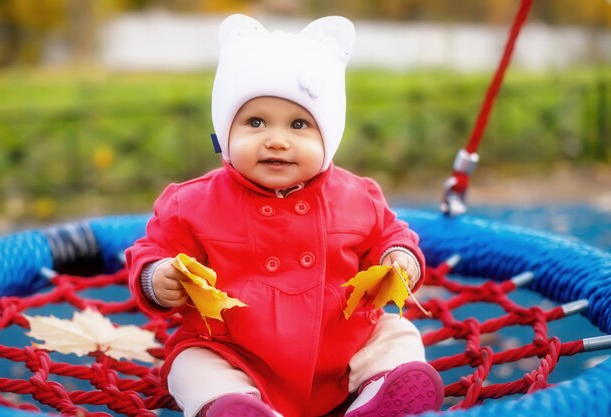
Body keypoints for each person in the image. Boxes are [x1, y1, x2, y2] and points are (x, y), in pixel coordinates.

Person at [126, 14, 444, 417]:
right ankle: (233, 406)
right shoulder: (190, 203)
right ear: (225, 133)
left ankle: (381, 393)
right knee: (190, 365)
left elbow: (390, 235)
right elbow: (151, 249)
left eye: (299, 124)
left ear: (328, 137)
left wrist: (399, 258)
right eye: (255, 122)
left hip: (342, 349)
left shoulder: (356, 195)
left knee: (397, 332)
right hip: (235, 352)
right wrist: (156, 277)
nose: (276, 139)